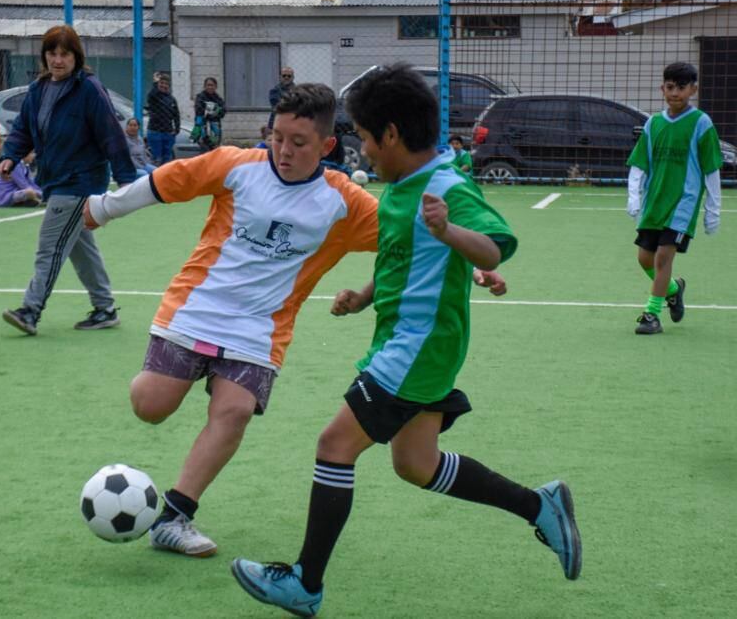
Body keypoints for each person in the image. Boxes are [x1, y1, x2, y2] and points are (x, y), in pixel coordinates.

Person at [81, 83, 506, 560]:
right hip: (196, 307)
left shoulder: (343, 201)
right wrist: (103, 208)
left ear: (326, 147)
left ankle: (175, 515)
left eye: (299, 143)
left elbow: (407, 239)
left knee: (234, 411)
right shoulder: (236, 165)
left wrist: (472, 266)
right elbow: (167, 181)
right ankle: (171, 397)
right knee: (150, 405)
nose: (284, 150)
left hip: (260, 330)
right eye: (277, 137)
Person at [230, 64, 580, 618]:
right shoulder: (400, 187)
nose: (362, 150)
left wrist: (451, 234)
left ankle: (305, 583)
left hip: (416, 349)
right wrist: (366, 295)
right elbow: (405, 256)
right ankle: (540, 506)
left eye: (366, 138)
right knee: (416, 465)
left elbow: (494, 247)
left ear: (391, 134)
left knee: (333, 446)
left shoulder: (445, 186)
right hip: (406, 342)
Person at [0, 24, 134, 336]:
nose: (58, 60)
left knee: (49, 246)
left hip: (80, 182)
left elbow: (110, 133)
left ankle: (30, 311)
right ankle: (105, 308)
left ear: (76, 57)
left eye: (65, 54)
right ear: (44, 57)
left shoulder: (88, 89)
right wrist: (10, 155)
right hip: (56, 180)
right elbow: (23, 129)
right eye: (52, 54)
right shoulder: (38, 89)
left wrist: (127, 179)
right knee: (78, 247)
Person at [627, 62, 722, 335]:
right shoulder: (653, 123)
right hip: (654, 203)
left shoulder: (701, 123)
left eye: (682, 87)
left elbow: (711, 168)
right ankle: (673, 289)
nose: (675, 92)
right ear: (662, 88)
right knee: (644, 259)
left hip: (683, 204)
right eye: (670, 87)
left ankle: (651, 315)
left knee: (663, 258)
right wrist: (633, 195)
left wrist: (713, 208)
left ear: (693, 89)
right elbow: (639, 164)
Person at [146, 74, 181, 165]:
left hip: (168, 133)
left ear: (169, 86)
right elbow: (152, 93)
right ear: (157, 84)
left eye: (166, 83)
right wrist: (155, 83)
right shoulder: (153, 96)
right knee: (156, 159)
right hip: (155, 131)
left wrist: (176, 129)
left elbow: (176, 115)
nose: (163, 85)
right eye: (161, 83)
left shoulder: (172, 99)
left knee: (167, 159)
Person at [192, 77, 227, 152]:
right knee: (204, 152)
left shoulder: (218, 99)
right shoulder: (200, 97)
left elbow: (223, 112)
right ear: (204, 86)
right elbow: (199, 110)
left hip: (215, 131)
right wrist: (214, 111)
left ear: (216, 87)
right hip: (202, 131)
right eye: (208, 85)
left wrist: (210, 112)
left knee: (215, 152)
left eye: (212, 85)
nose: (210, 87)